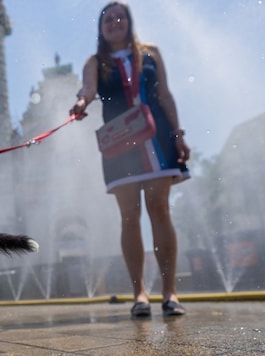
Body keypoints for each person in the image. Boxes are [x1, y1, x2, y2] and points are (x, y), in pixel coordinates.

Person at [70, 1, 190, 317]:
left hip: (157, 137)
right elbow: (88, 89)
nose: (114, 22)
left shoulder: (151, 53)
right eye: (107, 19)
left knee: (160, 209)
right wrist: (81, 102)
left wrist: (178, 134)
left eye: (120, 16)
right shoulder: (96, 61)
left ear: (129, 21)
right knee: (129, 215)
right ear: (101, 27)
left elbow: (165, 94)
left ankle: (170, 292)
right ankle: (139, 292)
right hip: (120, 141)